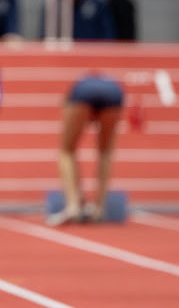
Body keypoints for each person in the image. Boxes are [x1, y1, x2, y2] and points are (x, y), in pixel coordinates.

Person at [46, 75, 124, 226]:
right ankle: (99, 208)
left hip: (82, 94)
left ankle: (73, 206)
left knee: (66, 151)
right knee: (105, 152)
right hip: (114, 94)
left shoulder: (72, 97)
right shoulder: (108, 86)